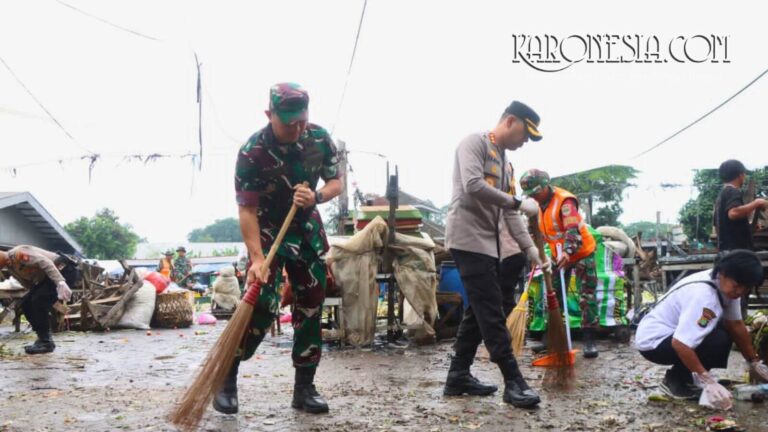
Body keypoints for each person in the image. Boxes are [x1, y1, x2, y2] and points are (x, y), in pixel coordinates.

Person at [217, 82, 342, 415]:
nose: (297, 128)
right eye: (289, 122)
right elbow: (246, 211)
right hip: (268, 231)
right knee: (262, 303)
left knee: (312, 305)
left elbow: (336, 182)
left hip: (306, 230)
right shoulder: (252, 152)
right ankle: (227, 376)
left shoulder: (318, 138)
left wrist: (317, 196)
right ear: (269, 114)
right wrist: (257, 258)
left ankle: (305, 388)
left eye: (301, 120)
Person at [443, 100, 546, 408]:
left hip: (490, 245)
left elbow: (511, 213)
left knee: (478, 312)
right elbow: (473, 185)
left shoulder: (506, 164)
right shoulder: (473, 143)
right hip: (466, 239)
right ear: (510, 121)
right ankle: (513, 381)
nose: (524, 142)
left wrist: (530, 249)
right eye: (524, 134)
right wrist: (516, 203)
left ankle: (457, 376)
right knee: (491, 310)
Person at [634, 250, 768, 406]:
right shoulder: (704, 295)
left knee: (723, 332)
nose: (739, 292)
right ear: (723, 273)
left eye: (746, 289)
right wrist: (708, 380)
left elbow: (736, 325)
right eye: (737, 286)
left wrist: (754, 361)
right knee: (717, 339)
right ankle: (676, 380)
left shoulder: (727, 287)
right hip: (654, 342)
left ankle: (687, 377)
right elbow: (681, 343)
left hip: (672, 337)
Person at [519, 168, 600, 358]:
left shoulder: (565, 201)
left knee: (586, 296)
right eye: (531, 194)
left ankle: (589, 340)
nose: (534, 197)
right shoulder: (535, 205)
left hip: (580, 252)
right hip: (557, 255)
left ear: (546, 186)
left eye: (536, 192)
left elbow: (573, 230)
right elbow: (534, 233)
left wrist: (568, 252)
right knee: (552, 293)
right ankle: (552, 339)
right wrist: (534, 254)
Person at [0, 245, 80, 354]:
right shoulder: (11, 266)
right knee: (26, 304)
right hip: (47, 278)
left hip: (63, 270)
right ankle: (43, 338)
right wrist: (31, 295)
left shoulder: (19, 254)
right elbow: (27, 283)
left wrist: (60, 282)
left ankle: (46, 343)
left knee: (39, 300)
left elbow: (45, 262)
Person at [713, 159, 767, 252]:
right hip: (738, 252)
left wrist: (747, 226)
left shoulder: (721, 196)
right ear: (740, 175)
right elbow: (733, 213)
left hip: (727, 250)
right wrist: (756, 203)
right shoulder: (732, 191)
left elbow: (720, 225)